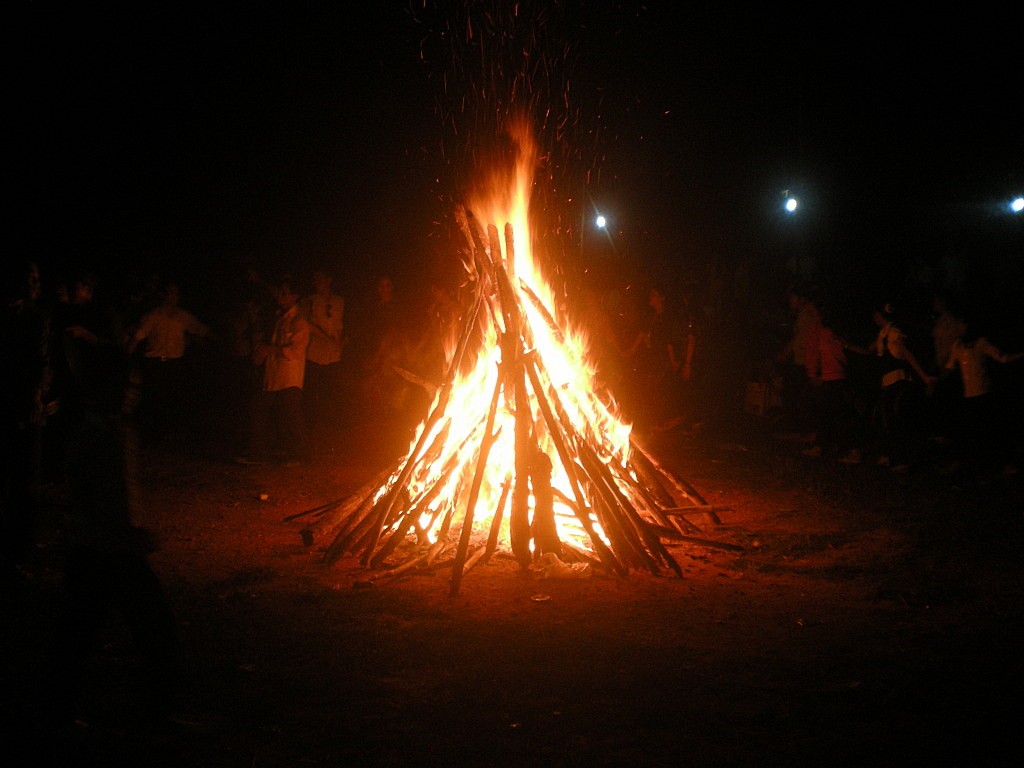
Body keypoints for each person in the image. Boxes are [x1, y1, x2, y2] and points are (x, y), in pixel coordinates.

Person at [39, 330, 180, 742]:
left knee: (78, 636)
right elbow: (92, 498)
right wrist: (128, 534)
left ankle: (58, 714)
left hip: (101, 550)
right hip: (105, 552)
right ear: (107, 387)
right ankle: (151, 719)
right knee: (154, 633)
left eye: (136, 385)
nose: (134, 393)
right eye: (128, 385)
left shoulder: (112, 431)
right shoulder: (97, 435)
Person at [1, 260, 50, 579]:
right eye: (27, 277)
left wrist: (36, 394)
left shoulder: (38, 317)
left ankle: (22, 552)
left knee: (27, 483)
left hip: (27, 408)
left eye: (36, 278)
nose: (33, 283)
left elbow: (43, 360)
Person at [237, 276, 311, 467]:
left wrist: (269, 350)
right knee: (262, 410)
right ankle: (261, 452)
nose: (280, 295)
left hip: (289, 379)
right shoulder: (280, 319)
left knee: (290, 416)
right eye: (280, 292)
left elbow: (294, 351)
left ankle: (300, 455)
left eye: (285, 293)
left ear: (294, 296)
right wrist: (263, 355)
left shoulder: (299, 322)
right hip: (273, 377)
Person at [940, 316, 1024, 478]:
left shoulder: (981, 344)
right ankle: (979, 466)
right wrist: (934, 381)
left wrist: (1021, 354)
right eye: (958, 325)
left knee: (989, 432)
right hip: (969, 396)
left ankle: (1000, 465)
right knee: (974, 433)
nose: (958, 328)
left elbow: (1003, 357)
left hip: (984, 395)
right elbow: (950, 368)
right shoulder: (957, 346)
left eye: (961, 324)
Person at [128, 281, 210, 444]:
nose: (173, 297)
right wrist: (126, 359)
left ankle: (170, 434)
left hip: (175, 364)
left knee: (174, 398)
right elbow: (137, 337)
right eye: (170, 293)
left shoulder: (183, 316)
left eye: (176, 293)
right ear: (163, 295)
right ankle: (150, 435)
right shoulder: (153, 316)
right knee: (152, 399)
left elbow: (201, 330)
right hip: (154, 364)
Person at [863, 302, 936, 471]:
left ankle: (902, 458)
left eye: (876, 314)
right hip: (887, 382)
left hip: (897, 381)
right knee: (883, 419)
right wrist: (845, 344)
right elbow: (868, 350)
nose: (874, 317)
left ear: (881, 315)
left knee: (892, 420)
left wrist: (924, 376)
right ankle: (891, 456)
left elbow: (907, 354)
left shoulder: (894, 332)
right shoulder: (882, 333)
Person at [300, 269, 345, 434]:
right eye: (314, 280)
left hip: (333, 355)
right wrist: (326, 338)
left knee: (330, 391)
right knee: (311, 392)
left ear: (328, 280)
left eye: (319, 279)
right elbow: (308, 326)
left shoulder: (339, 301)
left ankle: (329, 428)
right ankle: (310, 427)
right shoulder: (309, 302)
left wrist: (340, 341)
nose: (316, 283)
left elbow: (340, 325)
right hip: (314, 354)